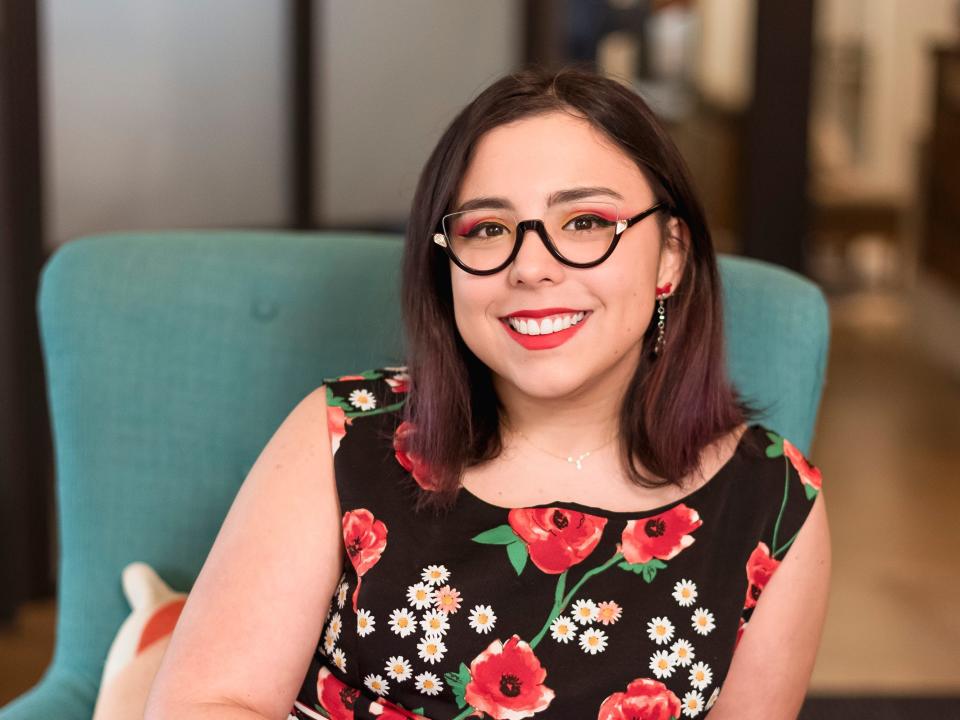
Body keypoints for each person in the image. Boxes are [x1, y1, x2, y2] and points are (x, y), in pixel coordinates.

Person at [145, 67, 830, 720]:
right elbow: (201, 704)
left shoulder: (773, 504)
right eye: (488, 229)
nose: (531, 267)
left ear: (672, 254)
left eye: (586, 222)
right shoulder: (341, 437)